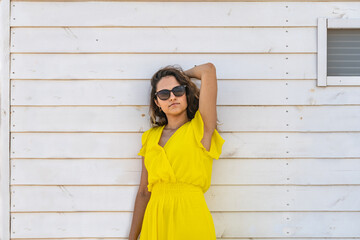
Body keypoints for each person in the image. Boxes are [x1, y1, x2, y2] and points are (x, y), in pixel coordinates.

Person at [128, 62, 225, 240]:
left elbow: (208, 70)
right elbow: (144, 192)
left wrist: (181, 77)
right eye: (164, 94)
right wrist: (132, 238)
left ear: (186, 94)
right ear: (157, 102)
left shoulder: (200, 128)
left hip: (190, 217)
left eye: (178, 91)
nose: (172, 97)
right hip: (155, 220)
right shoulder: (149, 137)